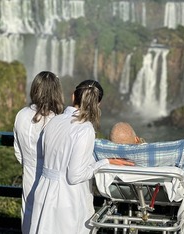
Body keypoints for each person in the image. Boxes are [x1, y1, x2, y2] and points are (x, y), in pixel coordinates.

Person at [29, 80, 134, 234]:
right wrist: (104, 162)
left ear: (73, 96)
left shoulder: (54, 121)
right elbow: (75, 176)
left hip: (44, 191)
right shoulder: (85, 129)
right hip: (66, 198)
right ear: (98, 104)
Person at [13, 71, 64, 234]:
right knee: (46, 222)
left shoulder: (20, 115)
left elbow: (18, 152)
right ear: (56, 92)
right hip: (50, 179)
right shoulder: (56, 121)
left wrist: (30, 163)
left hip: (28, 172)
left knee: (28, 219)